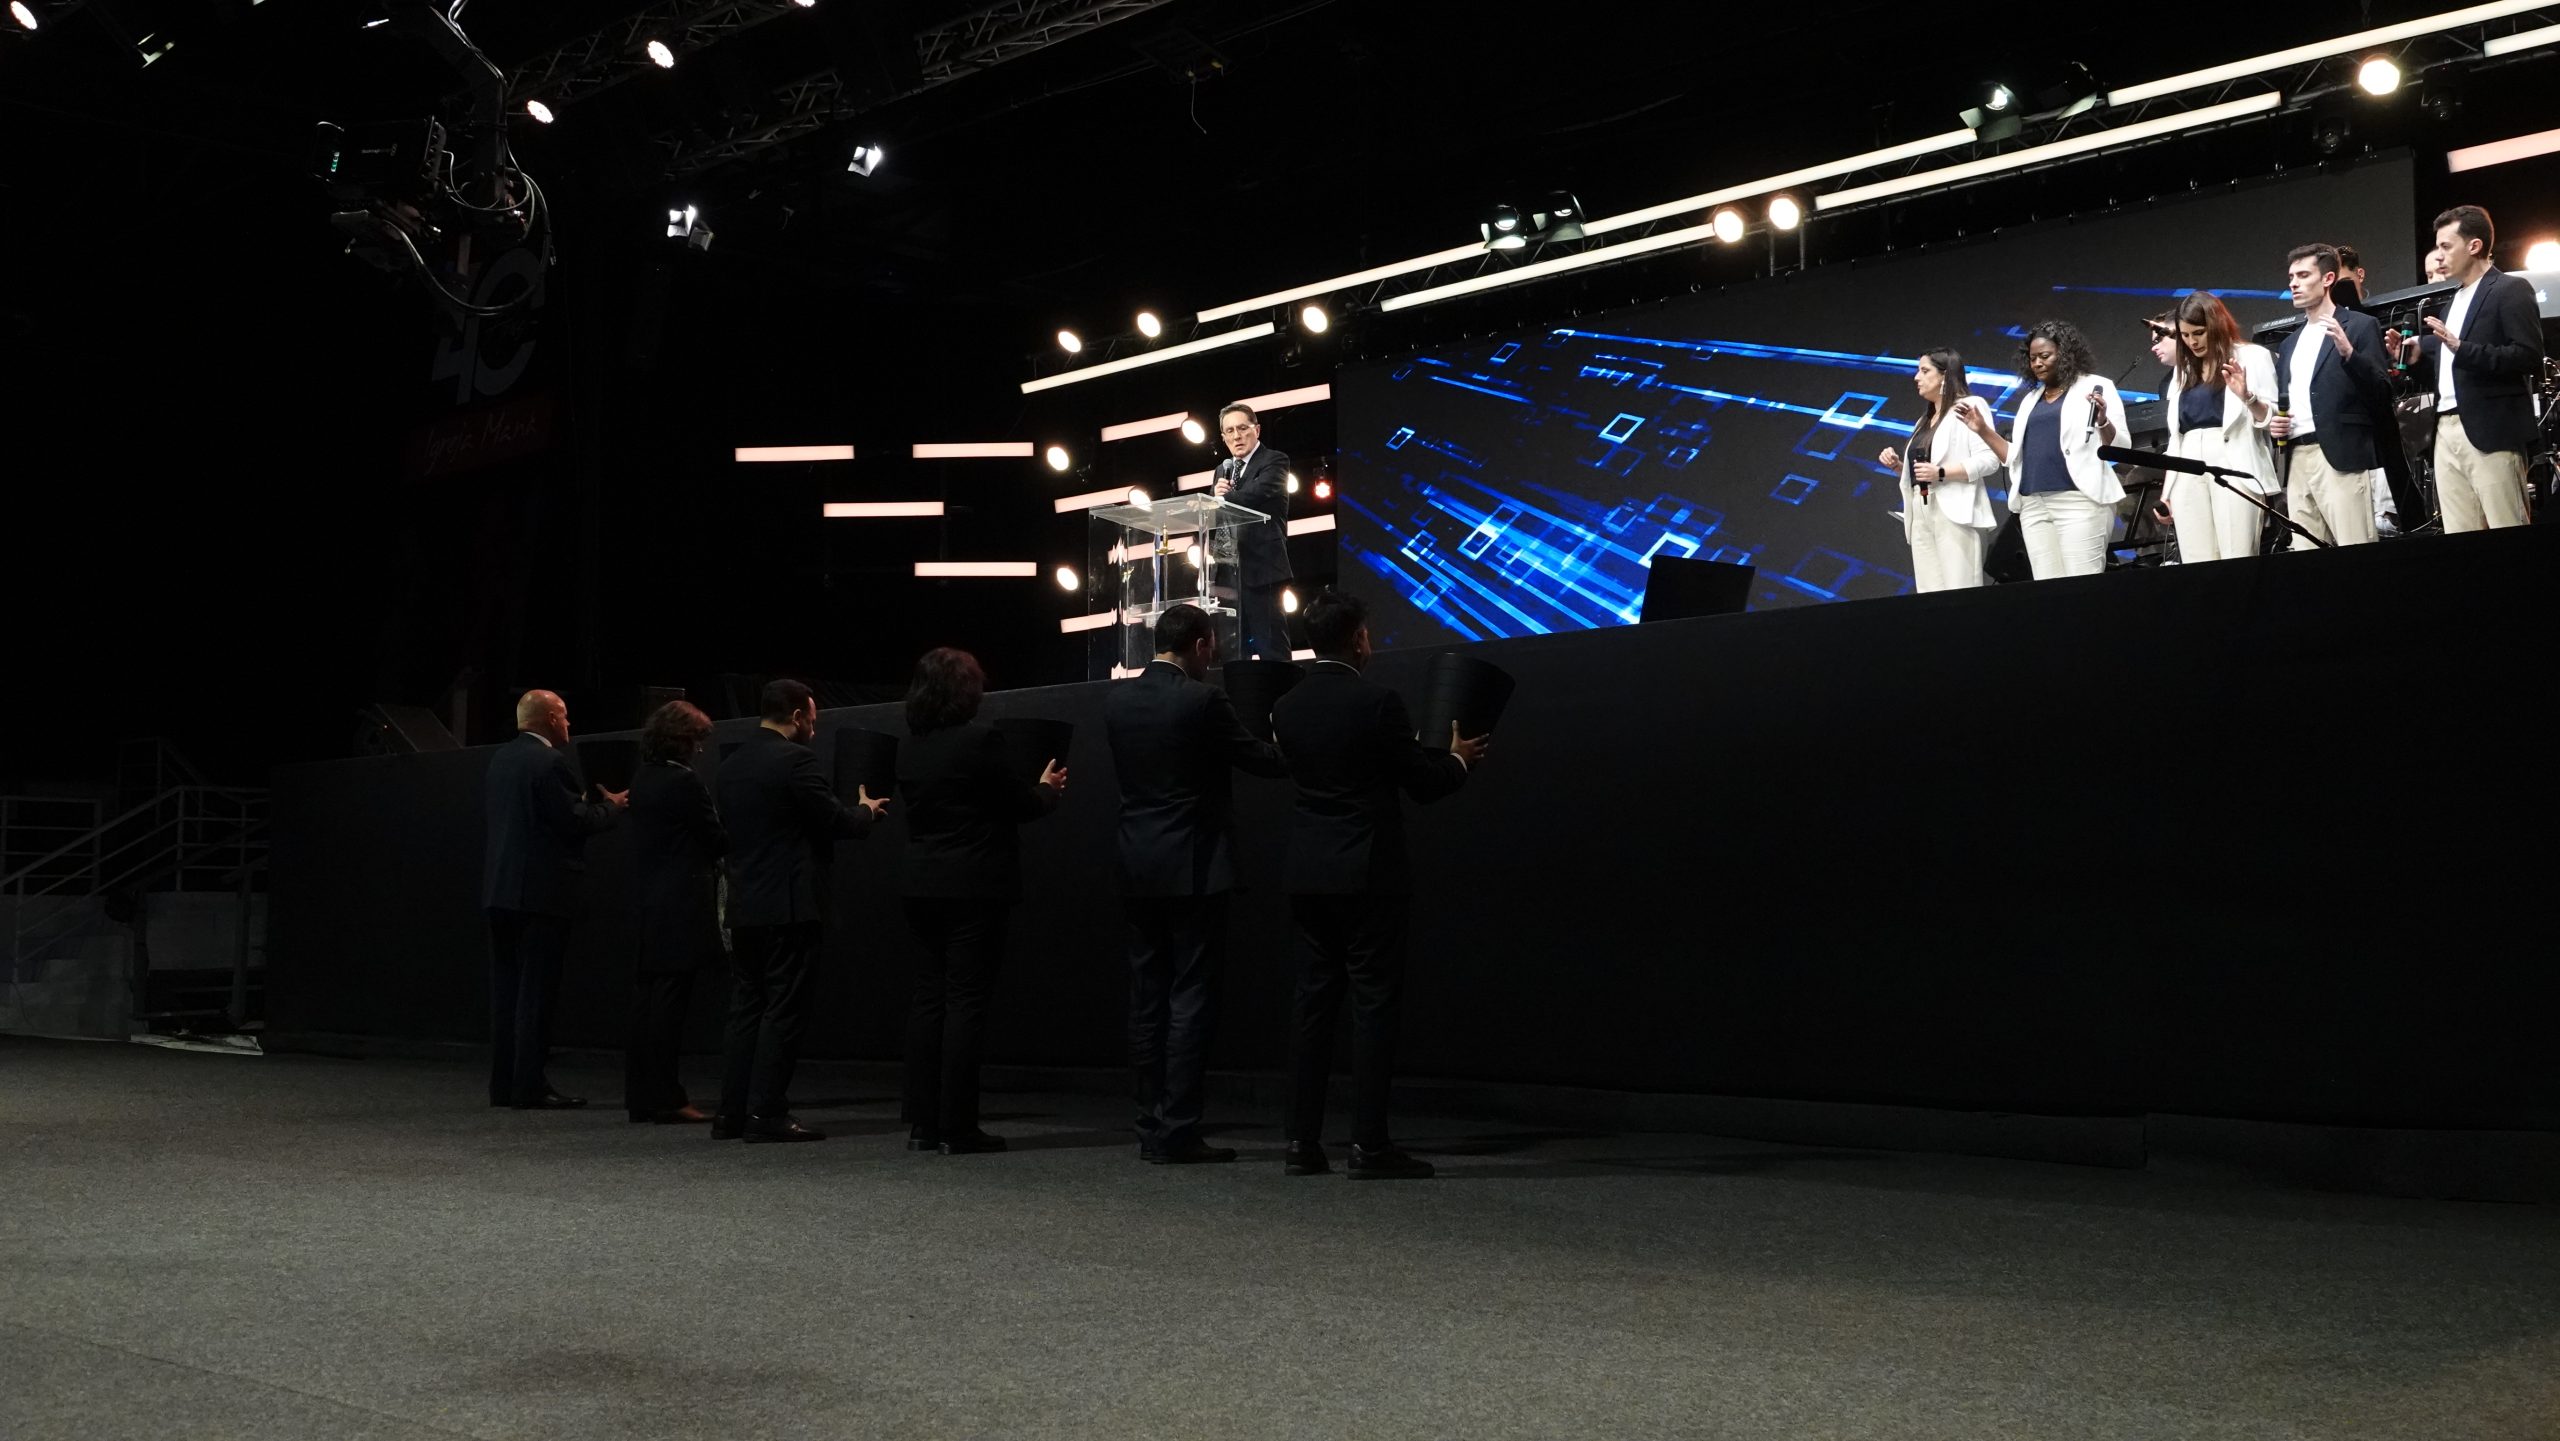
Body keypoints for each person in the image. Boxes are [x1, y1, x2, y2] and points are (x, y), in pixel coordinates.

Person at [1272, 591, 1488, 1180]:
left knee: (1312, 1007)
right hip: (1369, 874)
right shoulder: (1379, 702)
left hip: (1309, 872)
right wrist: (1458, 759)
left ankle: (1301, 1143)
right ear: (1359, 639)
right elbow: (1422, 782)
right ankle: (1368, 1146)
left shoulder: (1286, 707)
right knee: (1373, 1007)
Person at [1102, 603, 1289, 1165]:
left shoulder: (1117, 703)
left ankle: (1148, 1125)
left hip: (1137, 864)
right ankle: (1178, 1129)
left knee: (1146, 998)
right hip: (1194, 867)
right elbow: (1261, 760)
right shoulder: (1203, 700)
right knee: (1190, 997)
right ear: (1202, 644)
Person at [896, 648, 1065, 1155]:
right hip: (974, 886)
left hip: (921, 885)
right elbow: (1020, 805)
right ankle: (958, 1126)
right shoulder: (980, 740)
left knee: (928, 1001)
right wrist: (1047, 789)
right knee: (966, 1003)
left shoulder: (910, 747)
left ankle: (923, 1125)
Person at [713, 680, 886, 1143]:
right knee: (784, 1011)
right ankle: (766, 1113)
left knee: (745, 1008)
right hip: (789, 906)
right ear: (796, 716)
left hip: (745, 904)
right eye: (812, 717)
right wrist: (866, 811)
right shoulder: (796, 760)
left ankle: (730, 1113)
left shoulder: (730, 766)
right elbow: (835, 820)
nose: (814, 726)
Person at [480, 689, 624, 1110]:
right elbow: (573, 821)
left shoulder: (501, 759)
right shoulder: (550, 762)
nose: (569, 723)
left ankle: (504, 1084)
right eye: (564, 715)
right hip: (541, 894)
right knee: (536, 993)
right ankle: (529, 1085)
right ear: (549, 719)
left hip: (501, 890)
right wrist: (612, 807)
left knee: (506, 993)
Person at [2404, 205, 2548, 531]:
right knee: (2460, 538)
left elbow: (2527, 356)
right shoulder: (2451, 303)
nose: (2438, 256)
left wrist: (2461, 347)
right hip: (2446, 431)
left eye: (2446, 246)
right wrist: (2416, 362)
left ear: (2474, 245)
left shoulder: (2510, 289)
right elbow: (2450, 375)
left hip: (2493, 430)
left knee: (2507, 529)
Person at [1956, 320, 2128, 578]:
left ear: (2066, 354)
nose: (2037, 363)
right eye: (2032, 358)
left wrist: (2102, 420)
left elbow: (2120, 446)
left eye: (2045, 356)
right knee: (2047, 589)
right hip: (2033, 505)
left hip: (2078, 501)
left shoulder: (2096, 386)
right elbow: (2012, 458)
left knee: (2083, 585)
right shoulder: (2030, 400)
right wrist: (1982, 430)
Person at [623, 700, 725, 1125]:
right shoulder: (684, 781)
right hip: (680, 902)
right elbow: (716, 839)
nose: (699, 749)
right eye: (696, 740)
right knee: (669, 1005)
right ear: (682, 740)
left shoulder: (643, 777)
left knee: (647, 1003)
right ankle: (667, 1097)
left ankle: (641, 1096)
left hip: (650, 900)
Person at [2268, 243, 2393, 548]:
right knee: (2306, 553)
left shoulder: (2360, 325)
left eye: (2303, 275)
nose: (2293, 283)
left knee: (2355, 548)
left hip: (2341, 455)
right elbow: (2291, 401)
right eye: (2291, 277)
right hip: (2297, 458)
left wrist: (2350, 354)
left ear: (2327, 279)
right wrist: (2277, 425)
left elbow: (2382, 391)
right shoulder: (2289, 344)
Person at [2158, 291, 2281, 563]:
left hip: (2234, 465)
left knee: (2237, 557)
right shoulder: (2183, 370)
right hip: (2187, 469)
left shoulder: (2252, 357)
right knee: (2197, 562)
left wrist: (2247, 397)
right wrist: (2168, 491)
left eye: (2198, 333)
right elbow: (2176, 438)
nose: (2192, 342)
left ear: (2215, 325)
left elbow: (2272, 420)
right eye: (2185, 335)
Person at [1875, 348, 1997, 591]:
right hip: (1920, 510)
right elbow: (1924, 471)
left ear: (1945, 375)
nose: (1916, 377)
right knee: (1929, 592)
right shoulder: (1924, 420)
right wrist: (1899, 467)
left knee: (1960, 589)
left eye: (1924, 371)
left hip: (1954, 511)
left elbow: (1990, 459)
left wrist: (1941, 473)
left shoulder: (1969, 405)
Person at [1211, 402, 1294, 662]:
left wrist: (1223, 499)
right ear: (1224, 438)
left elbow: (1257, 494)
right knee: (1233, 654)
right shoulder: (1222, 471)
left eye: (1242, 428)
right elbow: (1217, 518)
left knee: (1272, 649)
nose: (1237, 436)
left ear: (1256, 430)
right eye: (1230, 431)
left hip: (1262, 569)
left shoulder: (1274, 460)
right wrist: (1213, 503)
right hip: (1228, 574)